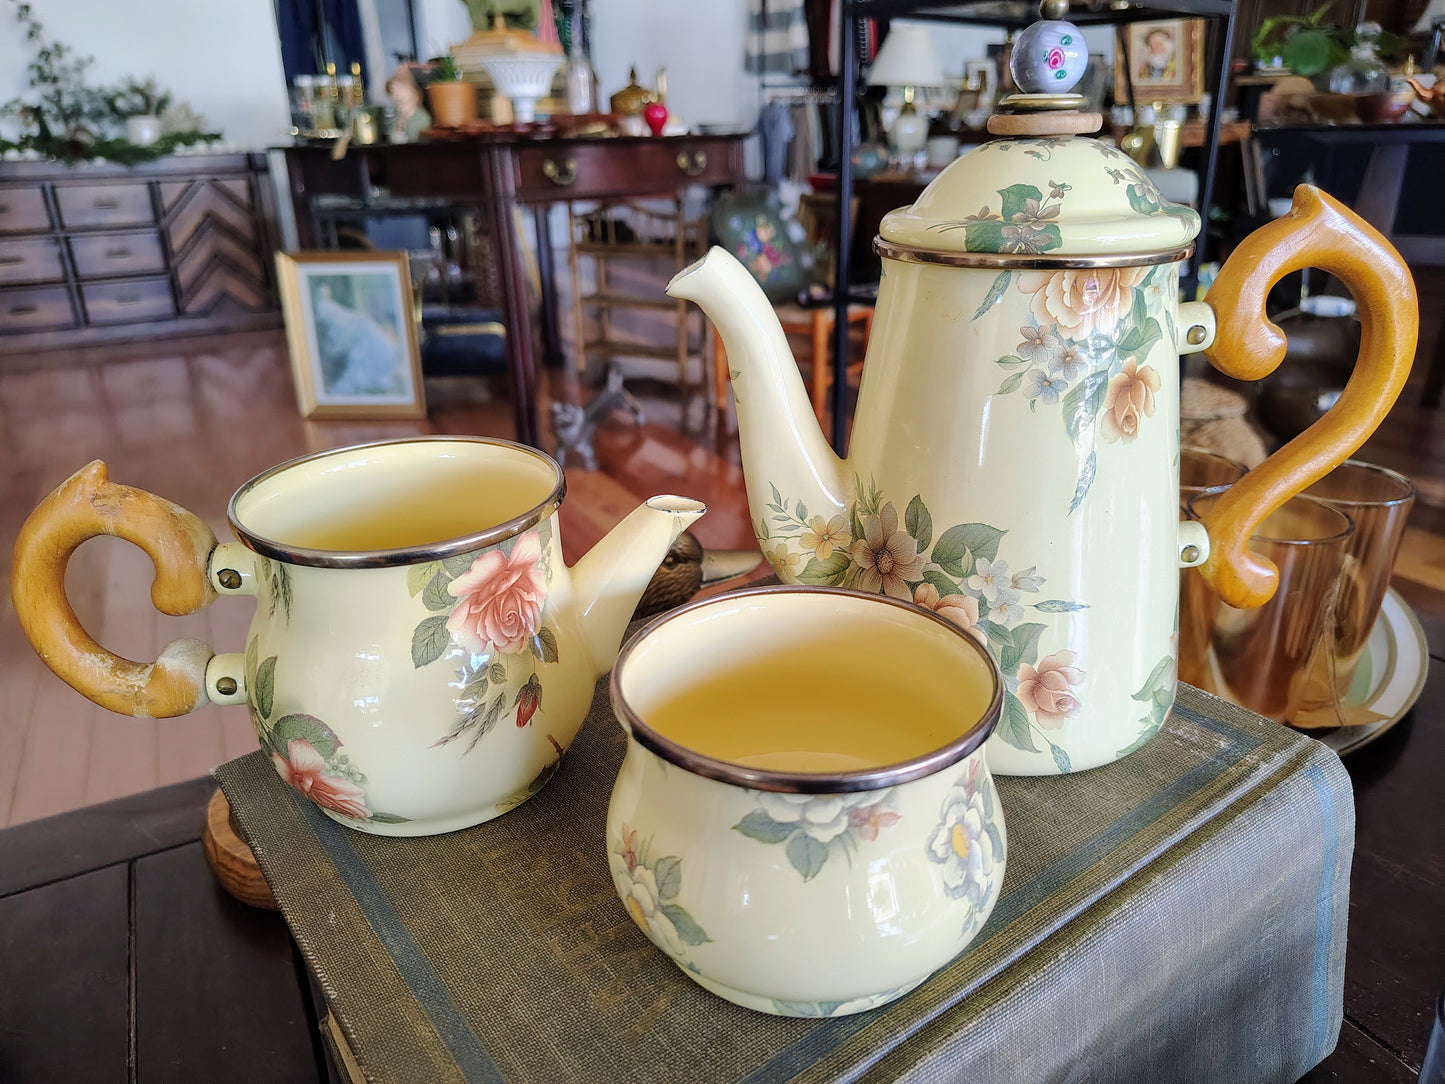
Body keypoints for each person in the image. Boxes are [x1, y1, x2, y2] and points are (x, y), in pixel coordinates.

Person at [386, 66, 431, 143]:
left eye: (400, 89)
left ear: (413, 92)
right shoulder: (396, 116)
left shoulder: (421, 118)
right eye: (393, 90)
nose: (396, 94)